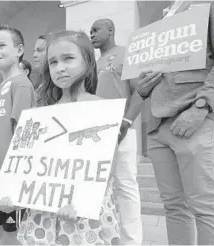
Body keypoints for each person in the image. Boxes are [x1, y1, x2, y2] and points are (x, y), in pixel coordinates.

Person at [0, 30, 121, 245]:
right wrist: (15, 197)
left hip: (83, 217)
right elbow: (32, 165)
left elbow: (108, 166)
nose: (60, 68)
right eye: (53, 62)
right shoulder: (41, 115)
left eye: (68, 59)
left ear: (88, 62)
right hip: (43, 217)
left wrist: (81, 203)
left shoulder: (99, 107)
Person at [146, 2, 214, 245]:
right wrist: (144, 85)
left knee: (205, 206)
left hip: (196, 114)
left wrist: (202, 105)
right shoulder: (169, 9)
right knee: (174, 207)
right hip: (159, 121)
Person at [91, 18, 163, 245]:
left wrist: (126, 122)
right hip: (96, 133)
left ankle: (132, 241)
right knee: (97, 188)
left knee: (125, 186)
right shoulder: (93, 63)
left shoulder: (126, 53)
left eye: (96, 30)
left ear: (111, 30)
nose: (91, 34)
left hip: (122, 130)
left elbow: (139, 91)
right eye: (90, 31)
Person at [0, 25, 36, 245]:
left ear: (20, 49)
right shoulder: (1, 87)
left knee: (12, 236)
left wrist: (15, 181)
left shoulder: (21, 84)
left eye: (2, 45)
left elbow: (24, 135)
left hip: (10, 177)